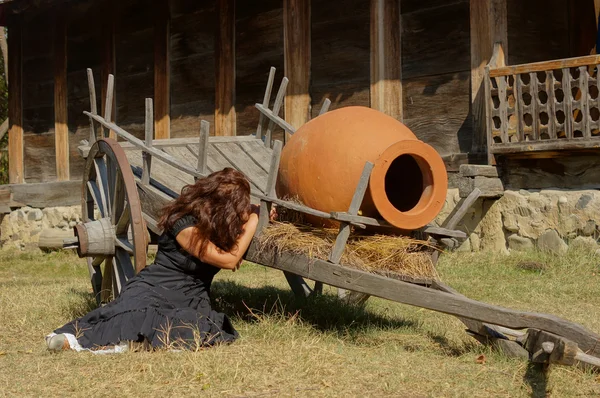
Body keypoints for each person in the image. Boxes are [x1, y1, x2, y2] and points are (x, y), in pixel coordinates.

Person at [47, 168, 269, 352]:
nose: (244, 211)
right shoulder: (184, 225)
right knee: (134, 311)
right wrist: (255, 218)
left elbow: (246, 224)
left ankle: (130, 344)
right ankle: (71, 340)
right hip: (155, 285)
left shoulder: (219, 226)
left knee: (188, 324)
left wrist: (261, 212)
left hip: (190, 296)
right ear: (224, 208)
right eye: (239, 207)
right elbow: (230, 261)